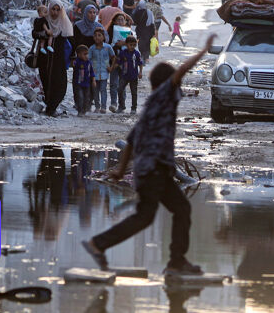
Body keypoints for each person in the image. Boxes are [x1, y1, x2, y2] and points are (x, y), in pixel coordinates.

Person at [81, 34, 217, 276]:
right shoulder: (164, 96)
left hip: (151, 170)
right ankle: (101, 245)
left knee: (172, 210)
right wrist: (204, 50)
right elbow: (181, 72)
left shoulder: (150, 106)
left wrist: (121, 171)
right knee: (163, 213)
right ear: (167, 85)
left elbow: (131, 141)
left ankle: (175, 262)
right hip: (154, 169)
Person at [39, 0, 74, 115]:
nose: (55, 12)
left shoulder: (64, 23)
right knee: (46, 82)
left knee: (60, 84)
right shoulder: (44, 21)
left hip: (59, 61)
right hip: (44, 59)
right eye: (53, 9)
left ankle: (52, 106)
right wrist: (44, 34)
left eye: (58, 9)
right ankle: (49, 108)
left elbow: (71, 41)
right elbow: (35, 33)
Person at [112, 35, 144, 113]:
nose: (132, 46)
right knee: (120, 89)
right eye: (130, 45)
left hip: (133, 76)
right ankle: (121, 106)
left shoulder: (136, 54)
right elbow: (118, 62)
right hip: (124, 75)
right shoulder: (122, 53)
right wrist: (112, 68)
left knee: (134, 92)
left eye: (134, 45)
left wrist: (140, 72)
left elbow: (140, 63)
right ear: (126, 44)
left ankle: (134, 108)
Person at [88, 29, 115, 113]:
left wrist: (111, 68)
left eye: (99, 35)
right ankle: (97, 106)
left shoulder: (108, 47)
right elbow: (88, 60)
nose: (97, 37)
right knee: (95, 91)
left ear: (104, 37)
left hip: (104, 72)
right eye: (95, 35)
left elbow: (114, 57)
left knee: (103, 90)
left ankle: (103, 107)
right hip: (94, 73)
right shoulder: (92, 48)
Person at [71, 44, 94, 116]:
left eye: (87, 54)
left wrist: (93, 80)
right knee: (80, 96)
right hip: (78, 84)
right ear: (79, 54)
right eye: (84, 54)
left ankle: (84, 110)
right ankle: (80, 110)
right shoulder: (77, 62)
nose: (86, 56)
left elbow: (92, 72)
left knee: (87, 97)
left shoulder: (89, 63)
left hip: (87, 83)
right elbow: (73, 64)